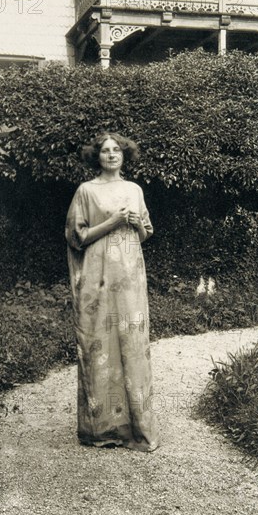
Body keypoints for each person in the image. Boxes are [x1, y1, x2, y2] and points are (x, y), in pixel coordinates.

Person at [65, 132, 160, 452]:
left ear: (124, 154)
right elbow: (77, 237)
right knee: (98, 345)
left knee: (131, 345)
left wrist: (135, 223)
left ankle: (136, 429)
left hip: (130, 278)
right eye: (104, 151)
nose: (111, 155)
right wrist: (113, 221)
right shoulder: (86, 191)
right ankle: (100, 430)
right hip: (97, 277)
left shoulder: (134, 190)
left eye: (116, 149)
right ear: (97, 156)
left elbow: (146, 234)